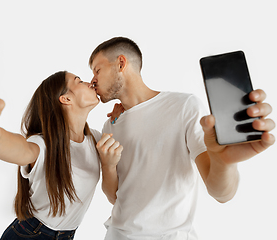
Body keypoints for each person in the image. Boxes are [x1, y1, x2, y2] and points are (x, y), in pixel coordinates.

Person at [89, 37, 275, 240]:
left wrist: (223, 163)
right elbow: (113, 196)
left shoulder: (184, 106)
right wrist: (107, 166)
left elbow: (221, 193)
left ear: (121, 63)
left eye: (97, 70)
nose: (92, 80)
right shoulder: (111, 125)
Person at [0, 70, 123, 239]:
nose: (89, 82)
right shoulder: (43, 145)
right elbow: (15, 148)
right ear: (66, 98)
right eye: (78, 80)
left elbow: (114, 190)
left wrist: (121, 115)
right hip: (31, 234)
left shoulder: (95, 139)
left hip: (66, 235)